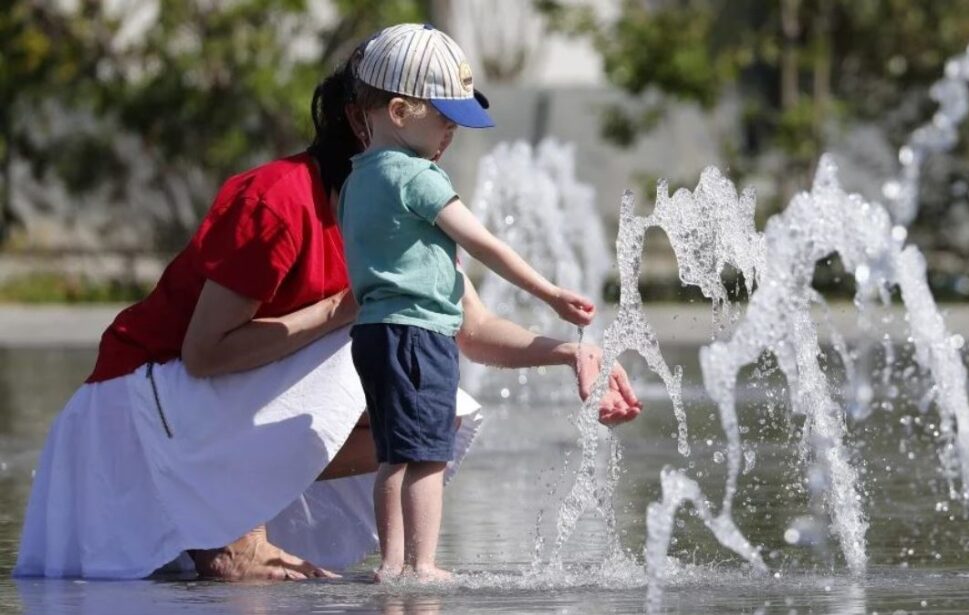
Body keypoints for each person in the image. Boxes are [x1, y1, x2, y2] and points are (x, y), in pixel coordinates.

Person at [13, 35, 641, 582]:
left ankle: (243, 517)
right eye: (440, 118)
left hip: (204, 416)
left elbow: (470, 331)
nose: (449, 137)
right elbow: (204, 355)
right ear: (375, 117)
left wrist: (570, 353)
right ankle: (233, 524)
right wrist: (339, 311)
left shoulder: (408, 208)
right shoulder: (279, 201)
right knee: (368, 340)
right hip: (131, 412)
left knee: (433, 411)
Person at [338, 24, 596, 582]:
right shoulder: (418, 176)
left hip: (375, 332)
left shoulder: (357, 180)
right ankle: (423, 564)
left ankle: (391, 563)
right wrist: (549, 294)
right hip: (419, 334)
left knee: (392, 454)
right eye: (444, 117)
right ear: (401, 111)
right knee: (430, 452)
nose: (451, 131)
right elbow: (483, 242)